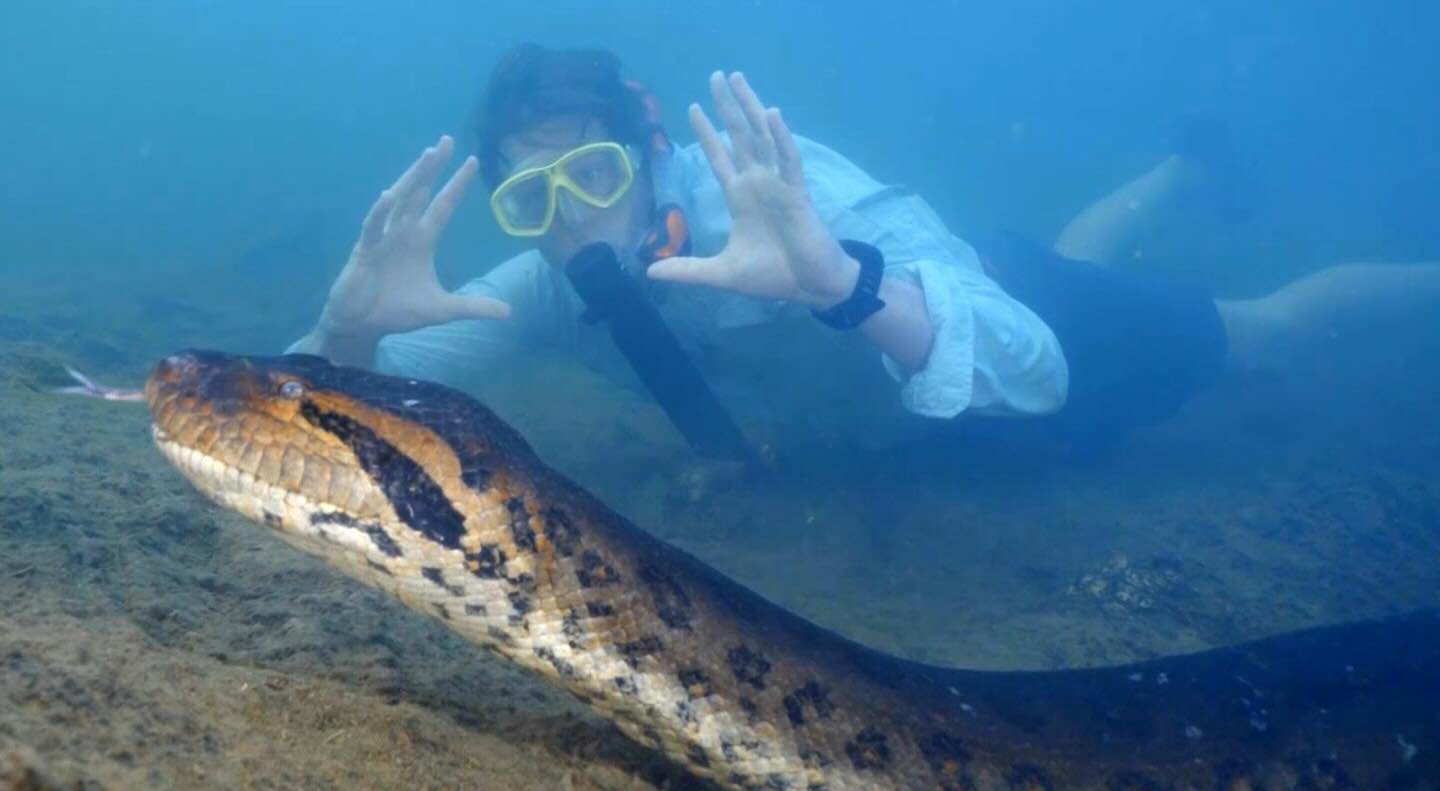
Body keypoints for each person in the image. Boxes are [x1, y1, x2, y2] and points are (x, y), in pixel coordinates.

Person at [288, 43, 1440, 455]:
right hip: (921, 416)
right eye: (536, 198)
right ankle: (1187, 168)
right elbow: (339, 396)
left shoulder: (787, 201)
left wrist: (838, 283)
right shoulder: (545, 283)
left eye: (593, 177)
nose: (578, 224)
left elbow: (1032, 363)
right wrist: (349, 331)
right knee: (1086, 252)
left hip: (991, 298)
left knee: (1271, 334)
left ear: (646, 157)